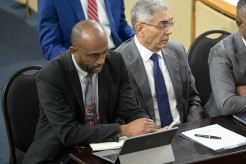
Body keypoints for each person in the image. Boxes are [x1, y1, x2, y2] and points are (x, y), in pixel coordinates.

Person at [23, 20, 157, 163]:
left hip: (104, 149)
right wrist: (122, 130)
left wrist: (150, 129)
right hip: (60, 154)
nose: (101, 61)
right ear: (74, 51)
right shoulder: (51, 75)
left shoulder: (115, 62)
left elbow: (130, 109)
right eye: (94, 56)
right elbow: (69, 133)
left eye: (104, 52)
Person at [116, 0, 203, 128]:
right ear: (140, 29)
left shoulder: (177, 50)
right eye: (162, 26)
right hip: (146, 139)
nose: (169, 31)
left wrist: (191, 128)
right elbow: (120, 115)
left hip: (183, 131)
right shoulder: (119, 62)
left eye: (170, 24)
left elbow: (192, 99)